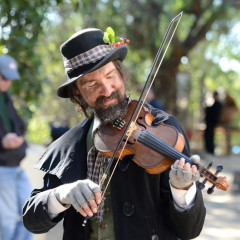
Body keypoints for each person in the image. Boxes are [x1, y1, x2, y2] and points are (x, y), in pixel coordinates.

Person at [22, 28, 206, 240]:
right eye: (92, 84)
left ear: (121, 73)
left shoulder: (165, 129)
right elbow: (31, 220)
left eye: (111, 76)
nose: (107, 90)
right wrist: (61, 194)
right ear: (77, 92)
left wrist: (182, 190)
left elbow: (190, 230)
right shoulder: (69, 145)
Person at [0, 55, 32, 240]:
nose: (8, 83)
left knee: (31, 215)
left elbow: (19, 125)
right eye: (5, 78)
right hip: (2, 169)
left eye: (10, 79)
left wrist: (19, 139)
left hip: (16, 166)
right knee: (7, 222)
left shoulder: (5, 98)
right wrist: (2, 142)